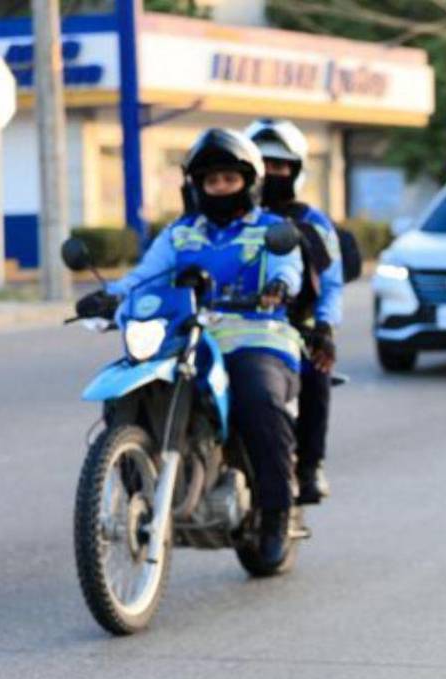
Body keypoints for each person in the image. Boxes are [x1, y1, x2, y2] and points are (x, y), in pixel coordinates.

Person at [77, 127, 304, 568]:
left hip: (254, 334)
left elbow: (287, 265)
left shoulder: (272, 229)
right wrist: (112, 296)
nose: (219, 188)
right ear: (197, 186)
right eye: (211, 181)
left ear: (248, 183)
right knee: (127, 392)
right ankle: (141, 485)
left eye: (229, 180)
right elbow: (145, 277)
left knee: (258, 399)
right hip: (185, 335)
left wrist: (279, 284)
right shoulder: (179, 234)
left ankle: (276, 511)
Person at [245, 118, 360, 505]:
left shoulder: (312, 223)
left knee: (316, 369)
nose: (272, 173)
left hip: (294, 326)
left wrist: (324, 327)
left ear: (295, 170)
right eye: (264, 165)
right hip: (233, 321)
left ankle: (309, 466)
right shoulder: (227, 217)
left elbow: (331, 283)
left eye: (280, 166)